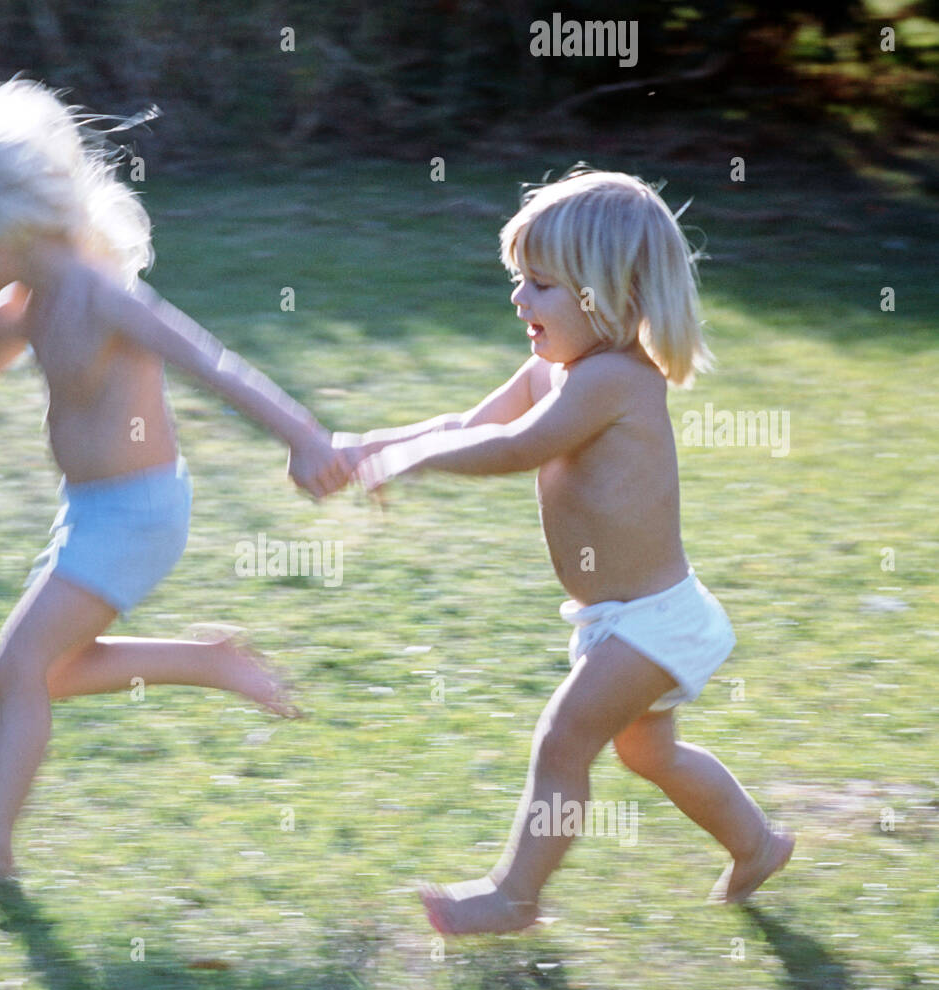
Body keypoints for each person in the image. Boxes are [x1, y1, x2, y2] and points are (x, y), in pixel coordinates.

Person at [0, 79, 352, 891]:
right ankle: (207, 661)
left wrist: (304, 439)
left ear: (3, 222)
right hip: (89, 511)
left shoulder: (103, 295)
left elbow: (212, 363)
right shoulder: (24, 301)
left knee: (17, 667)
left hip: (139, 514)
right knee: (53, 672)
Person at [338, 168, 794, 934]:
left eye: (541, 284)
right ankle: (758, 843)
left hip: (653, 619)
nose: (520, 299)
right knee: (650, 754)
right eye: (520, 279)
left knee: (563, 738)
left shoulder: (615, 380)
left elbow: (516, 447)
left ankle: (514, 896)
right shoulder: (555, 368)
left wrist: (412, 464)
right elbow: (466, 423)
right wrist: (375, 445)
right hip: (614, 618)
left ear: (605, 294)